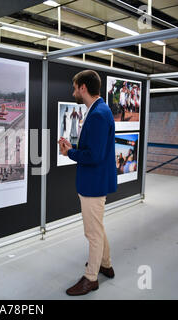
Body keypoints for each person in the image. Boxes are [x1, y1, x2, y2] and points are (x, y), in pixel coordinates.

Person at [58, 70, 117, 296]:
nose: (73, 92)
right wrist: (72, 149)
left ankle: (91, 278)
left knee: (92, 233)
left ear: (83, 88)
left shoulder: (99, 114)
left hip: (94, 183)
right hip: (95, 181)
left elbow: (94, 156)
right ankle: (106, 264)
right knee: (97, 228)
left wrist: (70, 152)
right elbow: (95, 151)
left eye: (75, 88)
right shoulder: (98, 111)